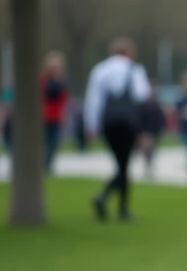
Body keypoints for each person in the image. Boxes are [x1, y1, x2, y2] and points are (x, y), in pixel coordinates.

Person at [85, 38, 150, 222]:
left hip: (108, 123)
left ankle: (115, 203)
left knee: (121, 164)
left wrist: (91, 126)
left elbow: (93, 101)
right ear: (128, 52)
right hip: (127, 123)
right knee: (124, 165)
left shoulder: (100, 70)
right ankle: (115, 204)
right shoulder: (134, 69)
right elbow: (142, 95)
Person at [40, 52, 69, 173]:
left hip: (56, 115)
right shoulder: (45, 79)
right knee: (45, 142)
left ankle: (48, 165)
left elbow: (64, 98)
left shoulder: (62, 80)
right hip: (45, 114)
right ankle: (42, 164)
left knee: (53, 142)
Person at [137, 90, 167, 179]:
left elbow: (161, 119)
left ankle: (150, 166)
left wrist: (161, 129)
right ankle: (147, 166)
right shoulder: (142, 105)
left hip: (154, 132)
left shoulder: (157, 105)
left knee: (152, 150)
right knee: (146, 150)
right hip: (145, 132)